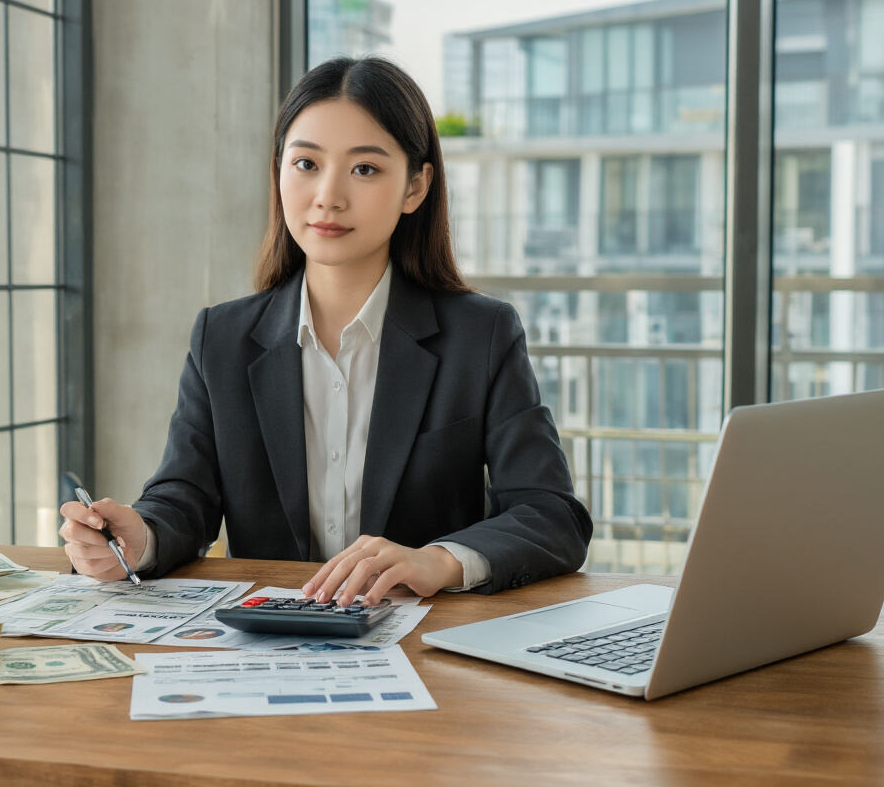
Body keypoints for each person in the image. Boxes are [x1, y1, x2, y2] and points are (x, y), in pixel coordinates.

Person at [60, 56, 591, 606]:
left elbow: (551, 515)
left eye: (365, 169)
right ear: (279, 172)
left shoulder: (481, 335)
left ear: (415, 187)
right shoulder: (221, 337)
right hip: (269, 650)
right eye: (307, 163)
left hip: (427, 647)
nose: (328, 196)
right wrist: (137, 537)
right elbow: (185, 498)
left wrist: (437, 561)